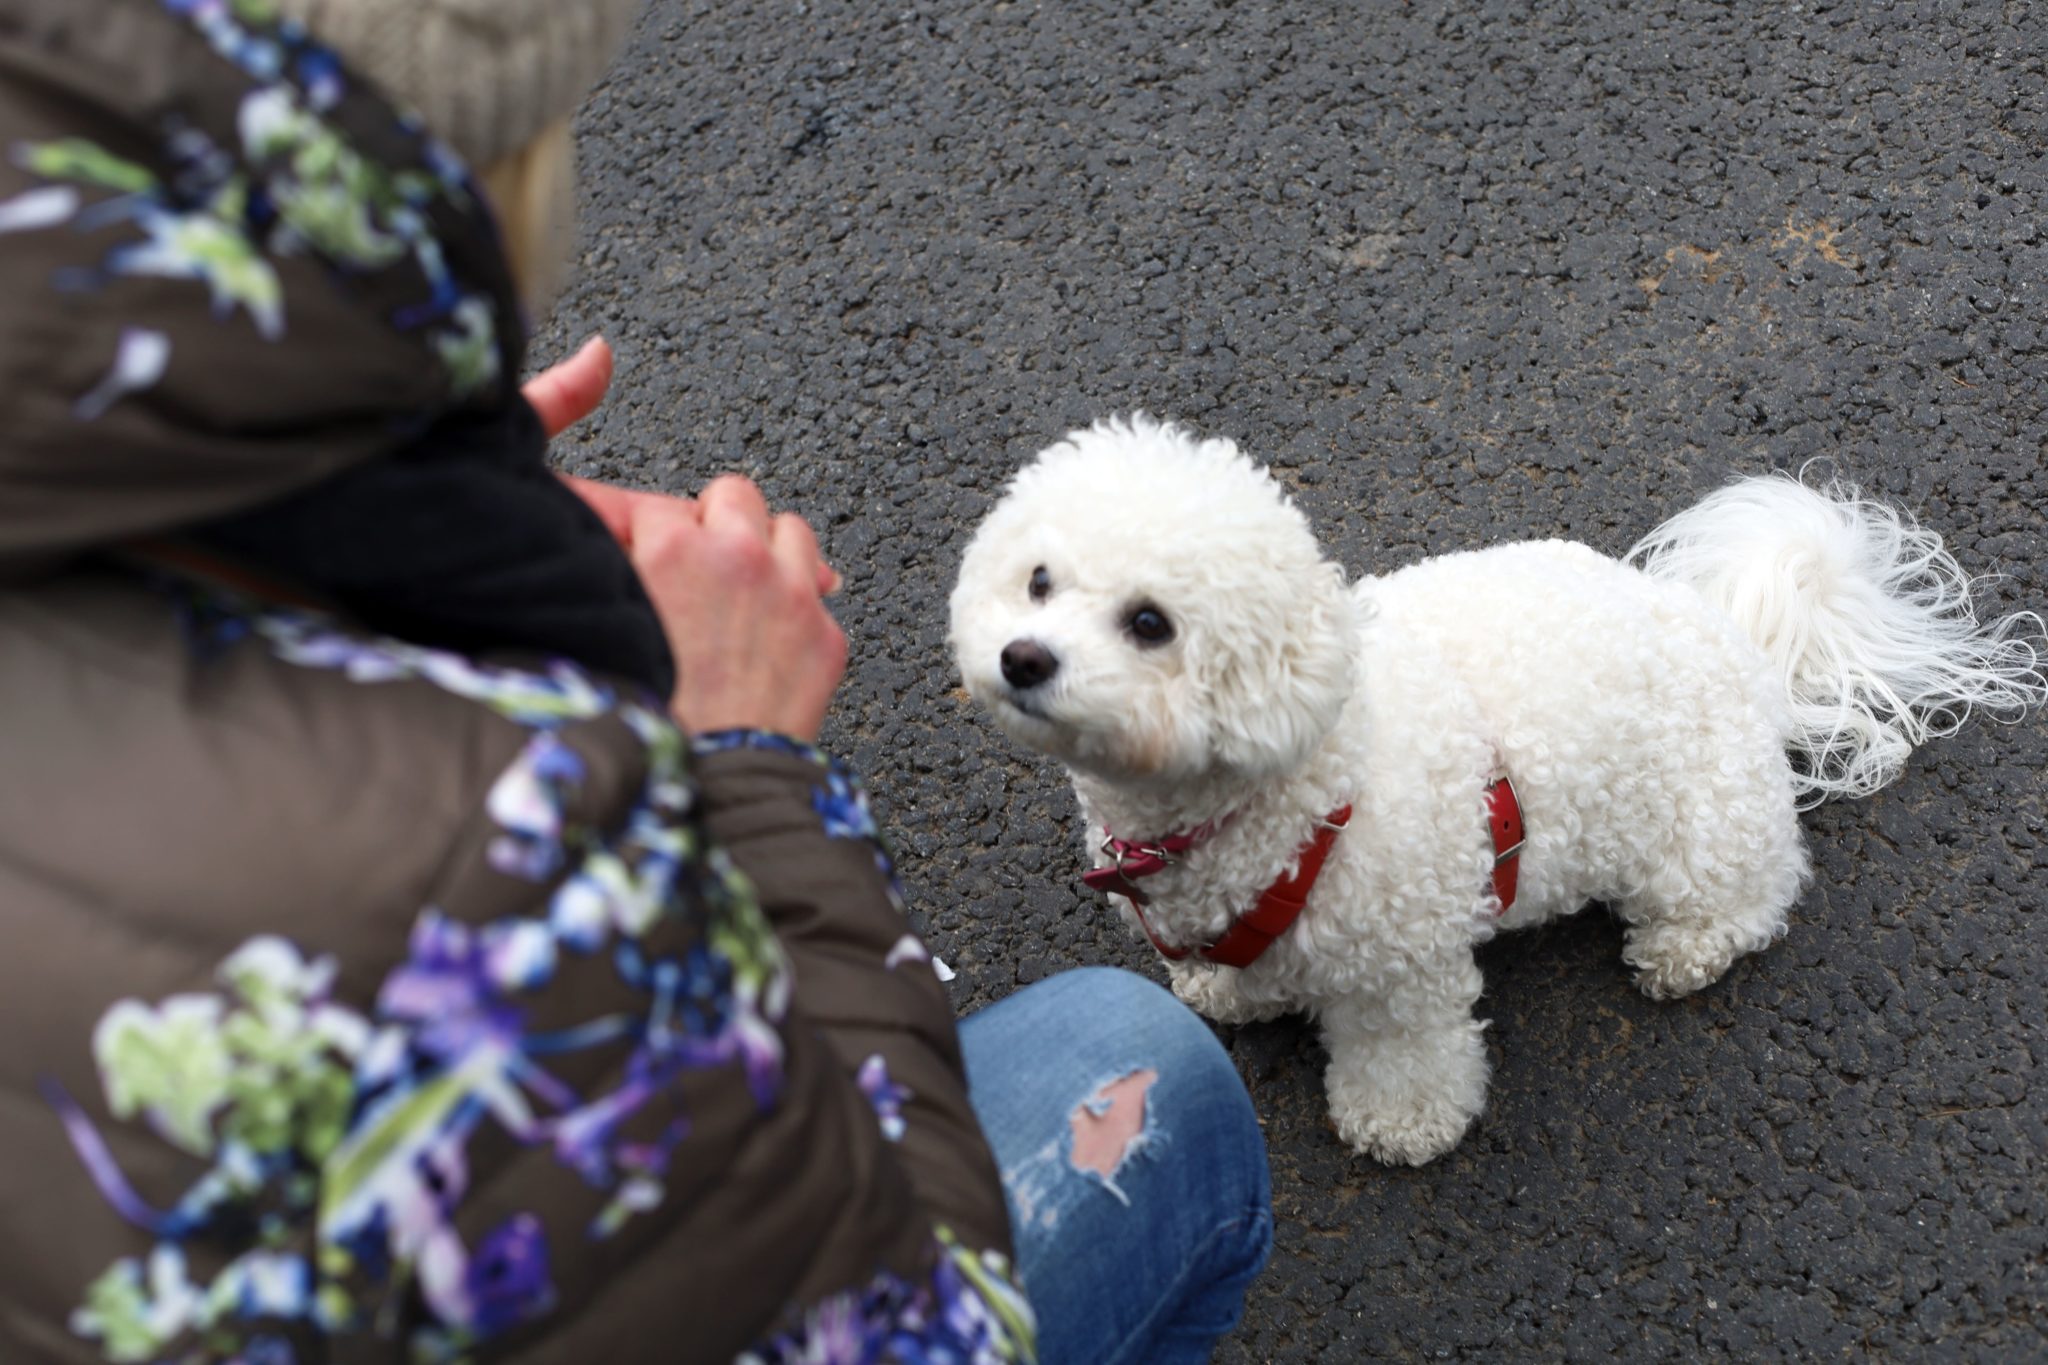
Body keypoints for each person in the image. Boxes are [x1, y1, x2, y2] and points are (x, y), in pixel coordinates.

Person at [0, 1, 1272, 1361]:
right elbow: (912, 1337)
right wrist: (753, 769)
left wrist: (377, 524)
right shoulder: (495, 868)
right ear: (470, 196)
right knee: (1149, 1066)